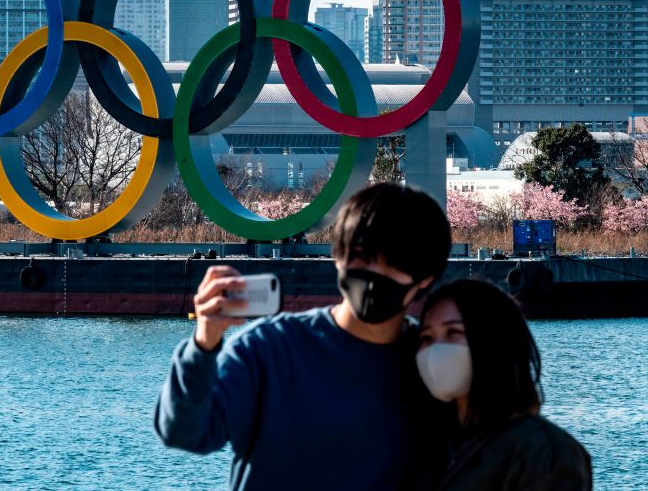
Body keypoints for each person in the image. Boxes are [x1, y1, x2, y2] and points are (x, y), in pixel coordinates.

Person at [154, 183, 453, 490]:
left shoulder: (438, 363)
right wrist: (204, 344)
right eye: (362, 256)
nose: (374, 273)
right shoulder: (267, 349)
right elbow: (183, 432)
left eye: (394, 263)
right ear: (338, 256)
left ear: (425, 279)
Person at [413, 280, 592, 490]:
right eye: (427, 337)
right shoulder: (435, 442)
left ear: (494, 339)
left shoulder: (544, 452)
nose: (436, 349)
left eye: (453, 332)